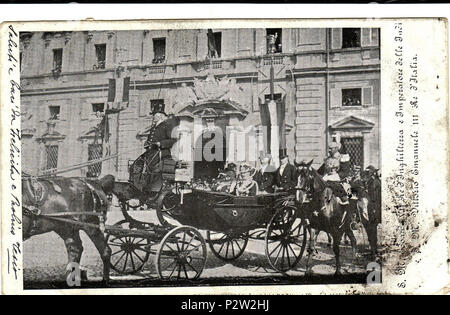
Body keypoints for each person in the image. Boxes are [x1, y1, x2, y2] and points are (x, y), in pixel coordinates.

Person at [140, 104, 178, 194]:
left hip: (162, 153)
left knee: (156, 170)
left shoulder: (166, 125)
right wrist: (147, 143)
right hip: (151, 153)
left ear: (161, 116)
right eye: (154, 115)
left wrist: (161, 143)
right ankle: (148, 189)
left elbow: (173, 140)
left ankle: (157, 189)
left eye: (155, 115)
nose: (154, 117)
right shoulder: (153, 128)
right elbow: (150, 139)